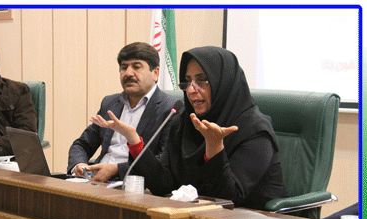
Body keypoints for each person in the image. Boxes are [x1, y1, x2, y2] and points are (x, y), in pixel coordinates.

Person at [92, 46, 287, 207]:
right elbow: (163, 184)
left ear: (223, 83)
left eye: (202, 80)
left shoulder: (255, 130)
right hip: (197, 218)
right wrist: (134, 140)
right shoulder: (183, 122)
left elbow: (229, 198)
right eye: (187, 82)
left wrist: (214, 147)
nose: (192, 90)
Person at [67, 42, 174, 182]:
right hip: (96, 180)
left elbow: (162, 163)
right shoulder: (110, 103)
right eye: (124, 67)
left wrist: (117, 169)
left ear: (155, 73)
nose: (128, 73)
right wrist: (79, 165)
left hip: (133, 183)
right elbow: (82, 144)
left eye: (136, 67)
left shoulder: (170, 109)